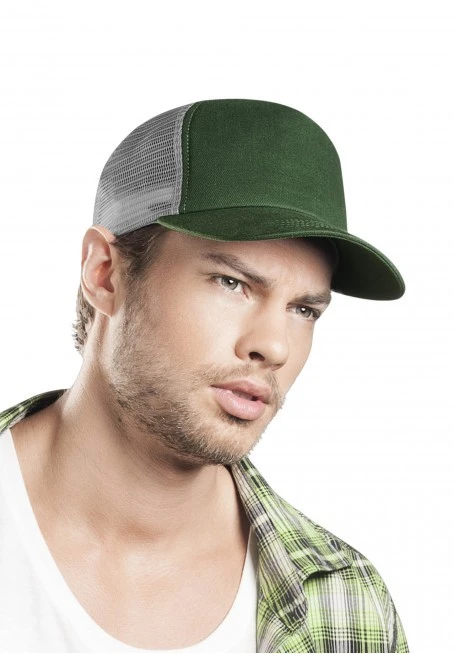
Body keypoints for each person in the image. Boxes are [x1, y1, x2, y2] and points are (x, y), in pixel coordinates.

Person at [0, 99, 409, 653]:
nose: (274, 346)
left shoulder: (344, 605)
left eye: (304, 309)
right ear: (105, 273)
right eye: (230, 283)